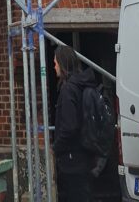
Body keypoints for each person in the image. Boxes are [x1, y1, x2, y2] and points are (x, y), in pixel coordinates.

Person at [53, 44, 95, 202]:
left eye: (56, 62)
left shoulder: (68, 89)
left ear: (63, 63)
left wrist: (56, 147)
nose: (54, 65)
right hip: (84, 154)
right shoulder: (81, 85)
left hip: (71, 159)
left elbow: (69, 127)